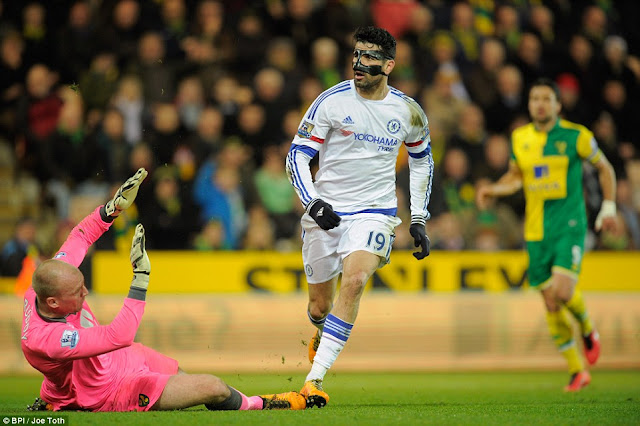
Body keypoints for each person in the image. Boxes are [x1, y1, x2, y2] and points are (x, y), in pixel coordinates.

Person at [21, 168, 306, 412]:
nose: (85, 294)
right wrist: (141, 278)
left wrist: (113, 208)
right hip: (107, 391)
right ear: (54, 303)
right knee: (213, 387)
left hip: (119, 359)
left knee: (180, 374)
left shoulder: (52, 279)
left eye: (83, 285)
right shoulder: (47, 339)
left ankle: (56, 398)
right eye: (78, 293)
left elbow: (80, 237)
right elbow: (119, 335)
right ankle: (261, 403)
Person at [286, 26, 434, 408]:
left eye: (368, 57)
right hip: (326, 212)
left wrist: (418, 217)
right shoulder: (331, 101)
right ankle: (321, 331)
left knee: (353, 281)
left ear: (389, 65)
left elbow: (421, 161)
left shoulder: (408, 111)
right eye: (356, 54)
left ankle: (314, 379)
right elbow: (296, 156)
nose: (358, 63)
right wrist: (313, 203)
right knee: (319, 307)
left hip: (375, 213)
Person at [476, 78, 618, 392]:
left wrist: (608, 208)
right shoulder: (520, 138)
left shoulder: (576, 136)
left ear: (557, 105)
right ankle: (577, 371)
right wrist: (494, 189)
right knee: (551, 302)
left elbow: (605, 168)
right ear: (529, 105)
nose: (539, 104)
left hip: (569, 225)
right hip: (536, 230)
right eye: (534, 98)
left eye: (545, 98)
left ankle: (587, 328)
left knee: (564, 291)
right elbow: (516, 178)